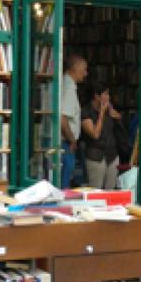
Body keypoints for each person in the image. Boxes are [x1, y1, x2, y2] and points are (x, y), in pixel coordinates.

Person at [81, 81, 122, 189]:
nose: (109, 97)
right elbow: (95, 134)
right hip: (96, 156)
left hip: (112, 155)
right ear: (96, 96)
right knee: (95, 191)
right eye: (106, 94)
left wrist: (115, 116)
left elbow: (119, 129)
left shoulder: (109, 110)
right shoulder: (86, 112)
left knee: (110, 191)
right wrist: (101, 114)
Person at [60, 54, 87, 188]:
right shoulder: (69, 88)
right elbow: (62, 118)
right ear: (75, 69)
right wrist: (72, 140)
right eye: (84, 69)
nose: (86, 73)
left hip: (65, 143)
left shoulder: (65, 84)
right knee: (64, 185)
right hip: (66, 144)